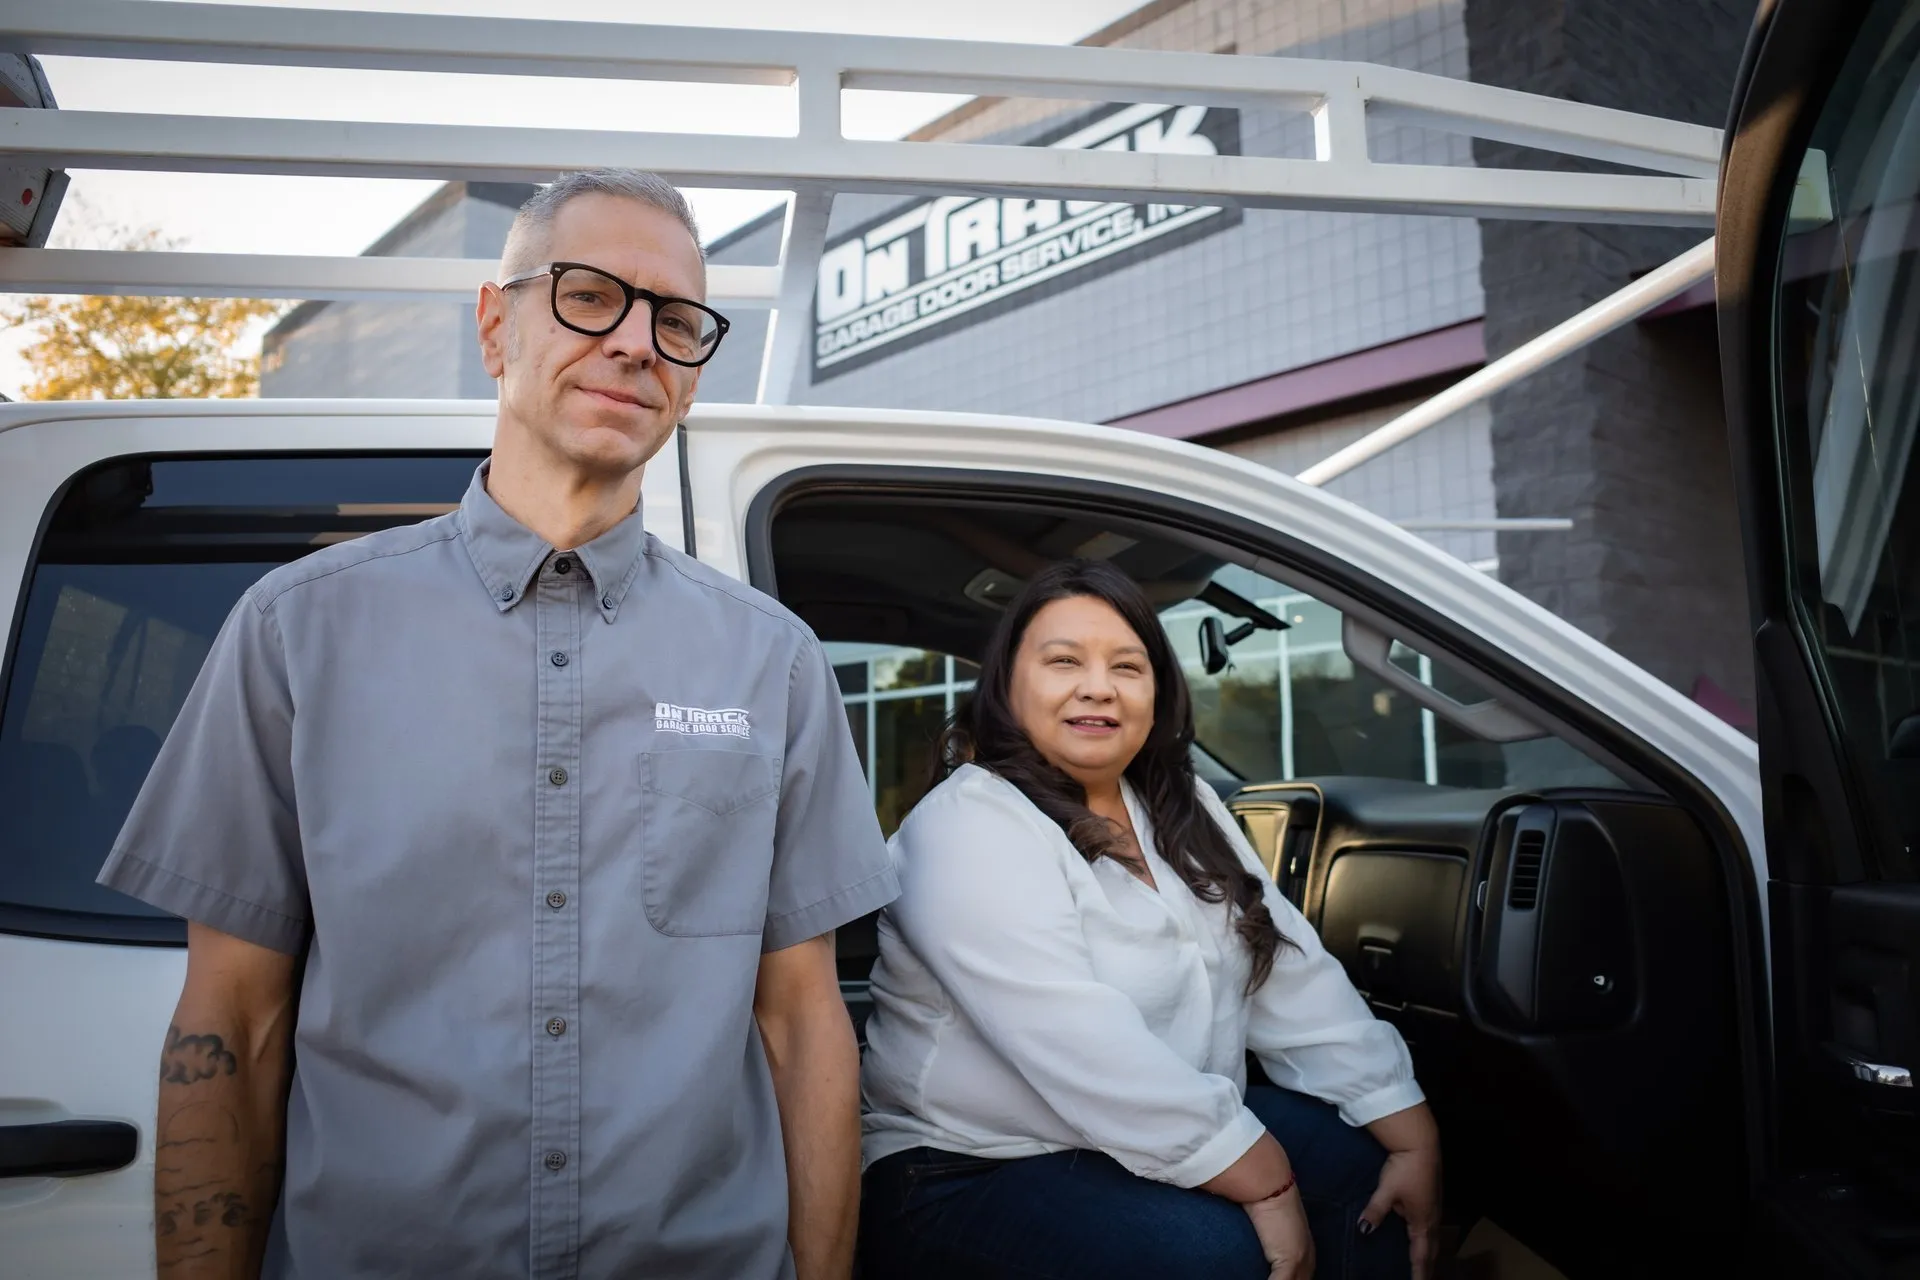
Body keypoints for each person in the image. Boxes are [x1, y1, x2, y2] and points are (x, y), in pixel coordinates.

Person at [98, 169, 898, 1280]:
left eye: (676, 320)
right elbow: (232, 1021)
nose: (636, 343)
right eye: (589, 295)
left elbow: (804, 1023)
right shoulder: (299, 630)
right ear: (493, 325)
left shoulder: (774, 660)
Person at [857, 559, 1443, 1280]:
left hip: (1144, 1130)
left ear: (1157, 690)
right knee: (1211, 1254)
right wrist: (1264, 1180)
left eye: (1127, 666)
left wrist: (1407, 1128)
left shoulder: (1181, 804)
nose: (1098, 686)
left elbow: (1286, 970)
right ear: (1007, 686)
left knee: (1366, 1166)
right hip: (966, 1164)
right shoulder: (966, 824)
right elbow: (1078, 1041)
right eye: (1064, 661)